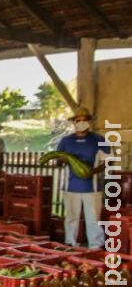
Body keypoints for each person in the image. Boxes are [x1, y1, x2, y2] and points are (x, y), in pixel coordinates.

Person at [56, 107, 110, 249]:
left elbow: (108, 161)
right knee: (71, 217)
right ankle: (70, 244)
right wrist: (62, 160)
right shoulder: (65, 141)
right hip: (70, 186)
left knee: (93, 219)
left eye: (84, 120)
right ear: (74, 122)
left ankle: (95, 246)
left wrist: (93, 171)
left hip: (91, 187)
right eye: (78, 120)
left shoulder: (99, 140)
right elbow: (57, 161)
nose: (81, 122)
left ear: (89, 122)